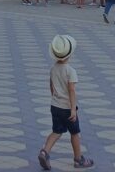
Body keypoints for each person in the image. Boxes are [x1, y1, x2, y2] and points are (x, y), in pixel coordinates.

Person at [37, 34, 95, 170]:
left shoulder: (53, 69)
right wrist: (73, 109)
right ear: (70, 54)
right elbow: (72, 90)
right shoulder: (70, 71)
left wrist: (55, 98)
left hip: (55, 106)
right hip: (67, 108)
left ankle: (44, 152)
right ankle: (78, 159)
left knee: (56, 132)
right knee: (74, 133)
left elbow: (51, 86)